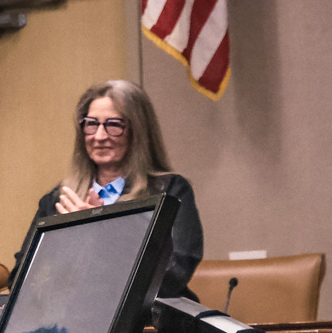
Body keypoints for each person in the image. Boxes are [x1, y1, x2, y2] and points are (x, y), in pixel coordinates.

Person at [21, 79, 204, 298]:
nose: (99, 136)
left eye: (114, 125)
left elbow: (176, 272)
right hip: (74, 316)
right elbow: (22, 280)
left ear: (138, 131)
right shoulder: (58, 200)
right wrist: (71, 237)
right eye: (91, 124)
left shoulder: (170, 191)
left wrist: (101, 232)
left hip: (147, 316)